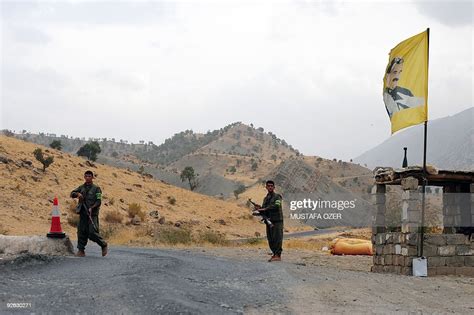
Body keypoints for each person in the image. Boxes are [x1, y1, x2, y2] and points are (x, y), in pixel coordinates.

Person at [70, 170, 108, 257]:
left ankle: (103, 244)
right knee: (81, 231)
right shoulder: (81, 187)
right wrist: (78, 194)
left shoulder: (96, 189)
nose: (87, 178)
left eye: (89, 176)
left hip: (92, 214)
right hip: (83, 213)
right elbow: (72, 193)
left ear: (92, 177)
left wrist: (92, 207)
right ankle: (81, 250)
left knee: (92, 232)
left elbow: (99, 201)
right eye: (86, 176)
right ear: (84, 177)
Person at [253, 180, 283, 262]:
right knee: (270, 239)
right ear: (266, 187)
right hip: (269, 221)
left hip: (277, 221)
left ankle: (278, 255)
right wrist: (259, 208)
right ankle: (274, 254)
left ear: (274, 187)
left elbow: (276, 205)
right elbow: (263, 210)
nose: (270, 187)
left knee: (277, 238)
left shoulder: (277, 196)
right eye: (268, 186)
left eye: (271, 186)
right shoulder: (265, 199)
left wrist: (265, 208)